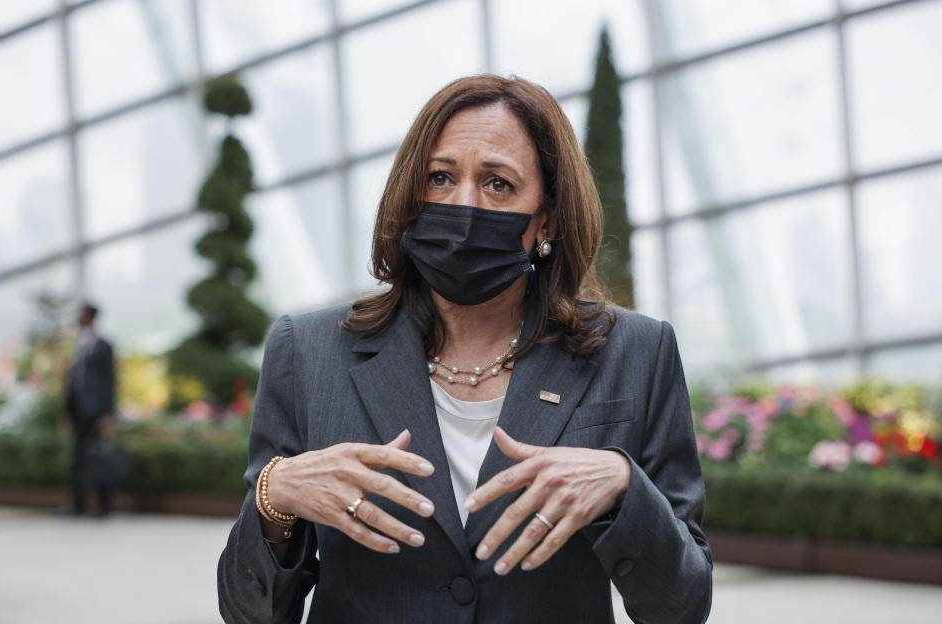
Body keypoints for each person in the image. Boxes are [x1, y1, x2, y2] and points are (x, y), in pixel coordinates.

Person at [218, 74, 711, 623]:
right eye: (440, 177)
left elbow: (681, 606)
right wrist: (275, 495)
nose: (464, 204)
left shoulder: (636, 353)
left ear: (545, 218)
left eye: (498, 183)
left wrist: (623, 488)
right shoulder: (307, 353)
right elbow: (249, 612)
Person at [63, 301, 117, 517]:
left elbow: (110, 380)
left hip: (96, 412)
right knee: (78, 460)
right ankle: (78, 505)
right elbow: (73, 382)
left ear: (90, 315)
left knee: (98, 458)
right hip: (78, 413)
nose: (78, 316)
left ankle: (103, 507)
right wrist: (67, 412)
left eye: (81, 313)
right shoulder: (77, 344)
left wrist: (108, 413)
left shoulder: (103, 345)